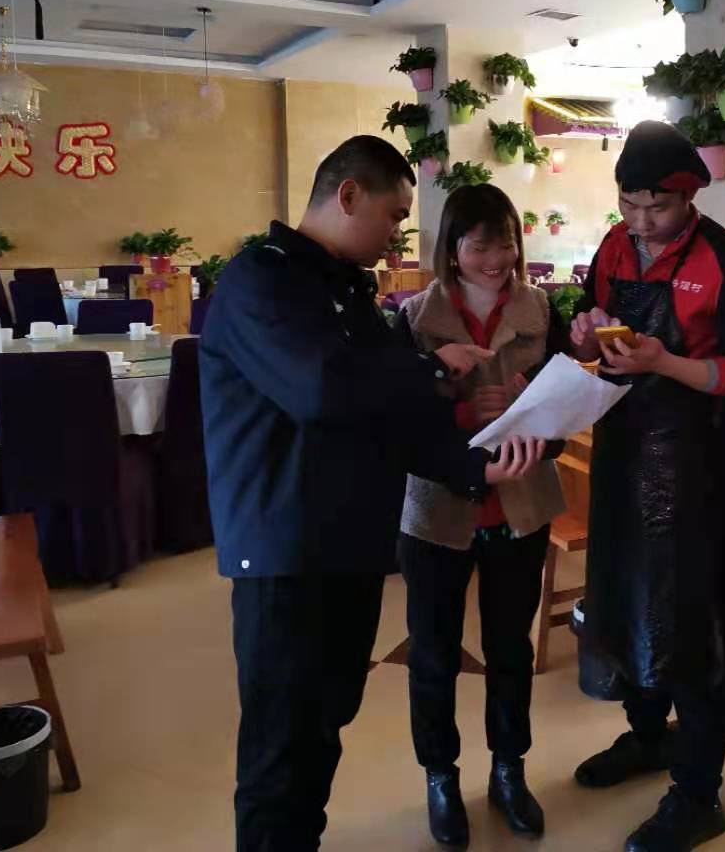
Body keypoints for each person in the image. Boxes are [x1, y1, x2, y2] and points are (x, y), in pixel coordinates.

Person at [200, 135, 545, 851]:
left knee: (323, 729)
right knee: (280, 750)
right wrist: (432, 371)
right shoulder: (263, 281)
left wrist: (476, 468)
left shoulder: (350, 293)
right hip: (285, 557)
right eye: (394, 216)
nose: (397, 235)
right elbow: (322, 392)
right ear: (349, 195)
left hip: (350, 550)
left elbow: (393, 421)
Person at [569, 121, 725, 851]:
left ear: (689, 198)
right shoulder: (613, 247)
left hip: (695, 461)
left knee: (688, 623)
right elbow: (585, 325)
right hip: (621, 449)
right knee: (623, 599)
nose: (641, 221)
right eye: (629, 205)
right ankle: (648, 735)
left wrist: (663, 363)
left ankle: (698, 793)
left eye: (656, 207)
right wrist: (585, 335)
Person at [392, 184, 569, 847]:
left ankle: (508, 769)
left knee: (510, 649)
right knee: (433, 653)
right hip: (437, 512)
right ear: (452, 250)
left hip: (520, 507)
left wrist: (535, 413)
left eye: (507, 243)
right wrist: (467, 410)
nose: (498, 260)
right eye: (481, 246)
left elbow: (565, 408)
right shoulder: (414, 319)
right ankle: (440, 776)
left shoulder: (540, 309)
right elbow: (401, 424)